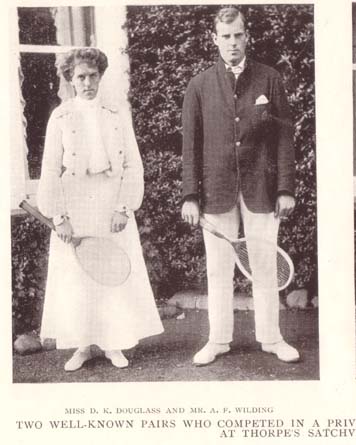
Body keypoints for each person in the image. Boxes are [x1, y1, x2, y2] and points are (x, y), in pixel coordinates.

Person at [181, 7, 299, 365]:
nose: (232, 42)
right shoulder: (199, 85)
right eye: (226, 36)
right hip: (216, 191)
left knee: (263, 264)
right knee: (218, 268)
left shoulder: (269, 79)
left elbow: (284, 137)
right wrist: (190, 195)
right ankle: (218, 340)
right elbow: (190, 145)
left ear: (247, 37)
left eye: (238, 35)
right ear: (215, 39)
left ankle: (271, 338)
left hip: (262, 189)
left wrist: (285, 188)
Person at [37, 48, 164, 371]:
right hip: (75, 203)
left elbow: (132, 164)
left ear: (100, 76)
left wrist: (124, 207)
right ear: (70, 79)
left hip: (110, 203)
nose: (88, 82)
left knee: (112, 273)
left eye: (93, 76)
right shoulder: (61, 117)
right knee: (79, 276)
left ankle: (112, 343)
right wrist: (59, 216)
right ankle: (83, 346)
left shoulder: (116, 113)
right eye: (80, 77)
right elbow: (50, 169)